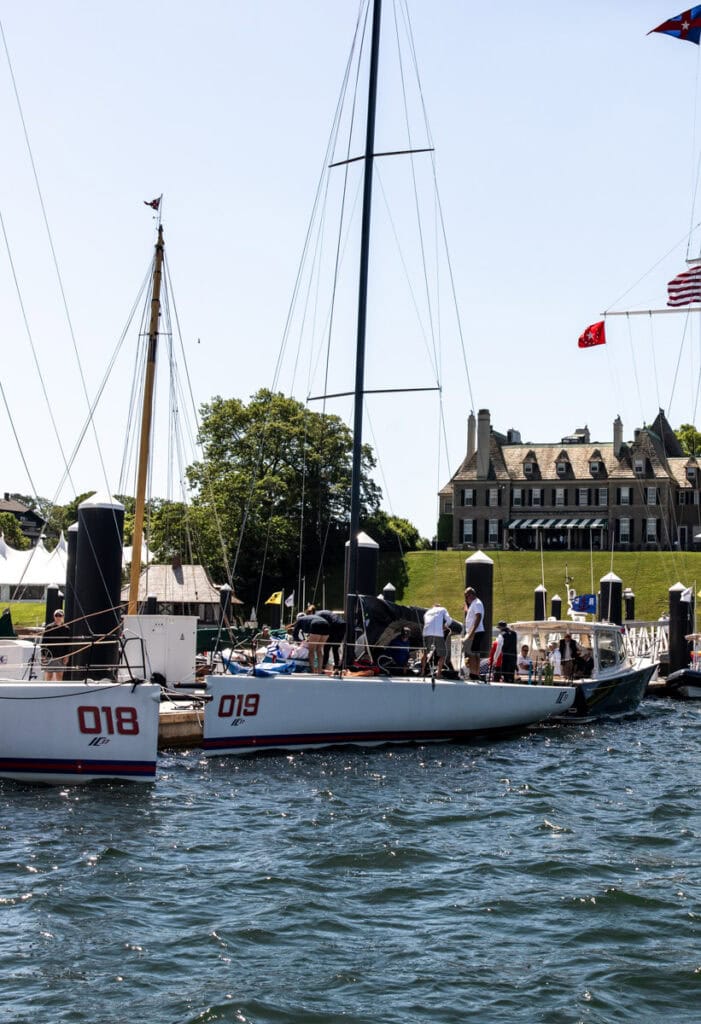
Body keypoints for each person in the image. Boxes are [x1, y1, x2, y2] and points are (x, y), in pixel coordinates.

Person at [291, 609, 331, 674]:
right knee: (319, 650)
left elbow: (295, 634)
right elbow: (311, 633)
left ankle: (313, 671)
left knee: (311, 651)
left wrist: (299, 642)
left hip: (316, 625)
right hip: (326, 625)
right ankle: (320, 670)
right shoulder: (309, 618)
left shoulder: (299, 620)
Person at [463, 586, 486, 681]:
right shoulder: (475, 603)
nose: (466, 599)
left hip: (475, 632)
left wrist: (471, 632)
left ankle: (473, 674)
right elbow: (474, 615)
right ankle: (475, 674)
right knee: (475, 654)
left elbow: (478, 617)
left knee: (471, 653)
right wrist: (467, 610)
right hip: (477, 631)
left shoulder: (476, 603)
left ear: (471, 595)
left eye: (466, 596)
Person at [422, 602, 451, 678]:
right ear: (439, 607)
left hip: (426, 632)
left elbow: (426, 622)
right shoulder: (442, 609)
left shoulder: (427, 612)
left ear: (433, 607)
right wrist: (444, 627)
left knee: (425, 653)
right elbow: (449, 620)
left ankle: (422, 672)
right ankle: (438, 674)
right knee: (443, 654)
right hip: (438, 633)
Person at [42, 608, 71, 681]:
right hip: (50, 655)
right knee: (49, 675)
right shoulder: (49, 627)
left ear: (63, 617)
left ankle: (59, 690)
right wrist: (43, 655)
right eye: (56, 615)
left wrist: (66, 656)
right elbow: (44, 642)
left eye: (60, 616)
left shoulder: (66, 628)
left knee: (59, 675)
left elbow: (68, 643)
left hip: (61, 656)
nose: (58, 617)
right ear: (54, 616)